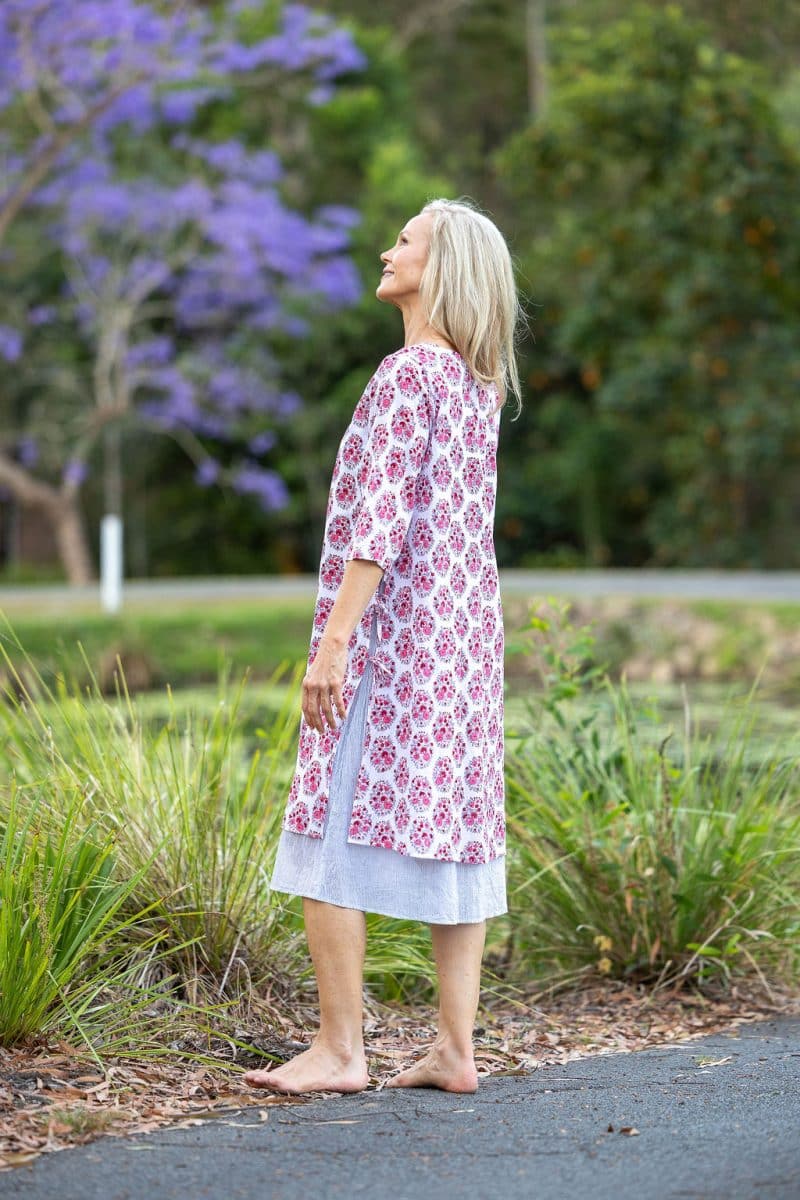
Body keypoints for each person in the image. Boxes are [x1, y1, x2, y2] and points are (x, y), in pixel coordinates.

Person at [244, 197, 522, 1096]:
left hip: (395, 647)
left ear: (439, 270)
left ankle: (340, 1049)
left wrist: (333, 646)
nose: (385, 249)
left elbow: (377, 525)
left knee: (324, 822)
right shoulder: (475, 386)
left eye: (403, 241)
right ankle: (455, 1049)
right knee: (460, 835)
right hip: (463, 649)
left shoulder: (408, 378)